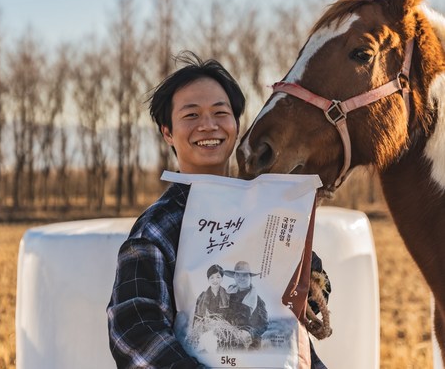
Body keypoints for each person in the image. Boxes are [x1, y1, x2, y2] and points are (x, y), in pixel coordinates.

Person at [107, 51, 329, 368]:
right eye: (191, 115)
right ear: (167, 133)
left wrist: (313, 283)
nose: (208, 126)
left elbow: (313, 300)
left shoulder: (269, 208)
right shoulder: (156, 229)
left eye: (220, 113)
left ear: (237, 125)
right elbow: (134, 330)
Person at [224, 260, 268, 349]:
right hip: (228, 340)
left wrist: (249, 332)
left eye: (244, 275)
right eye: (238, 275)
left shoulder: (257, 300)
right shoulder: (227, 295)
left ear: (250, 277)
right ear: (234, 277)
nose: (241, 278)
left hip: (250, 345)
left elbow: (263, 324)